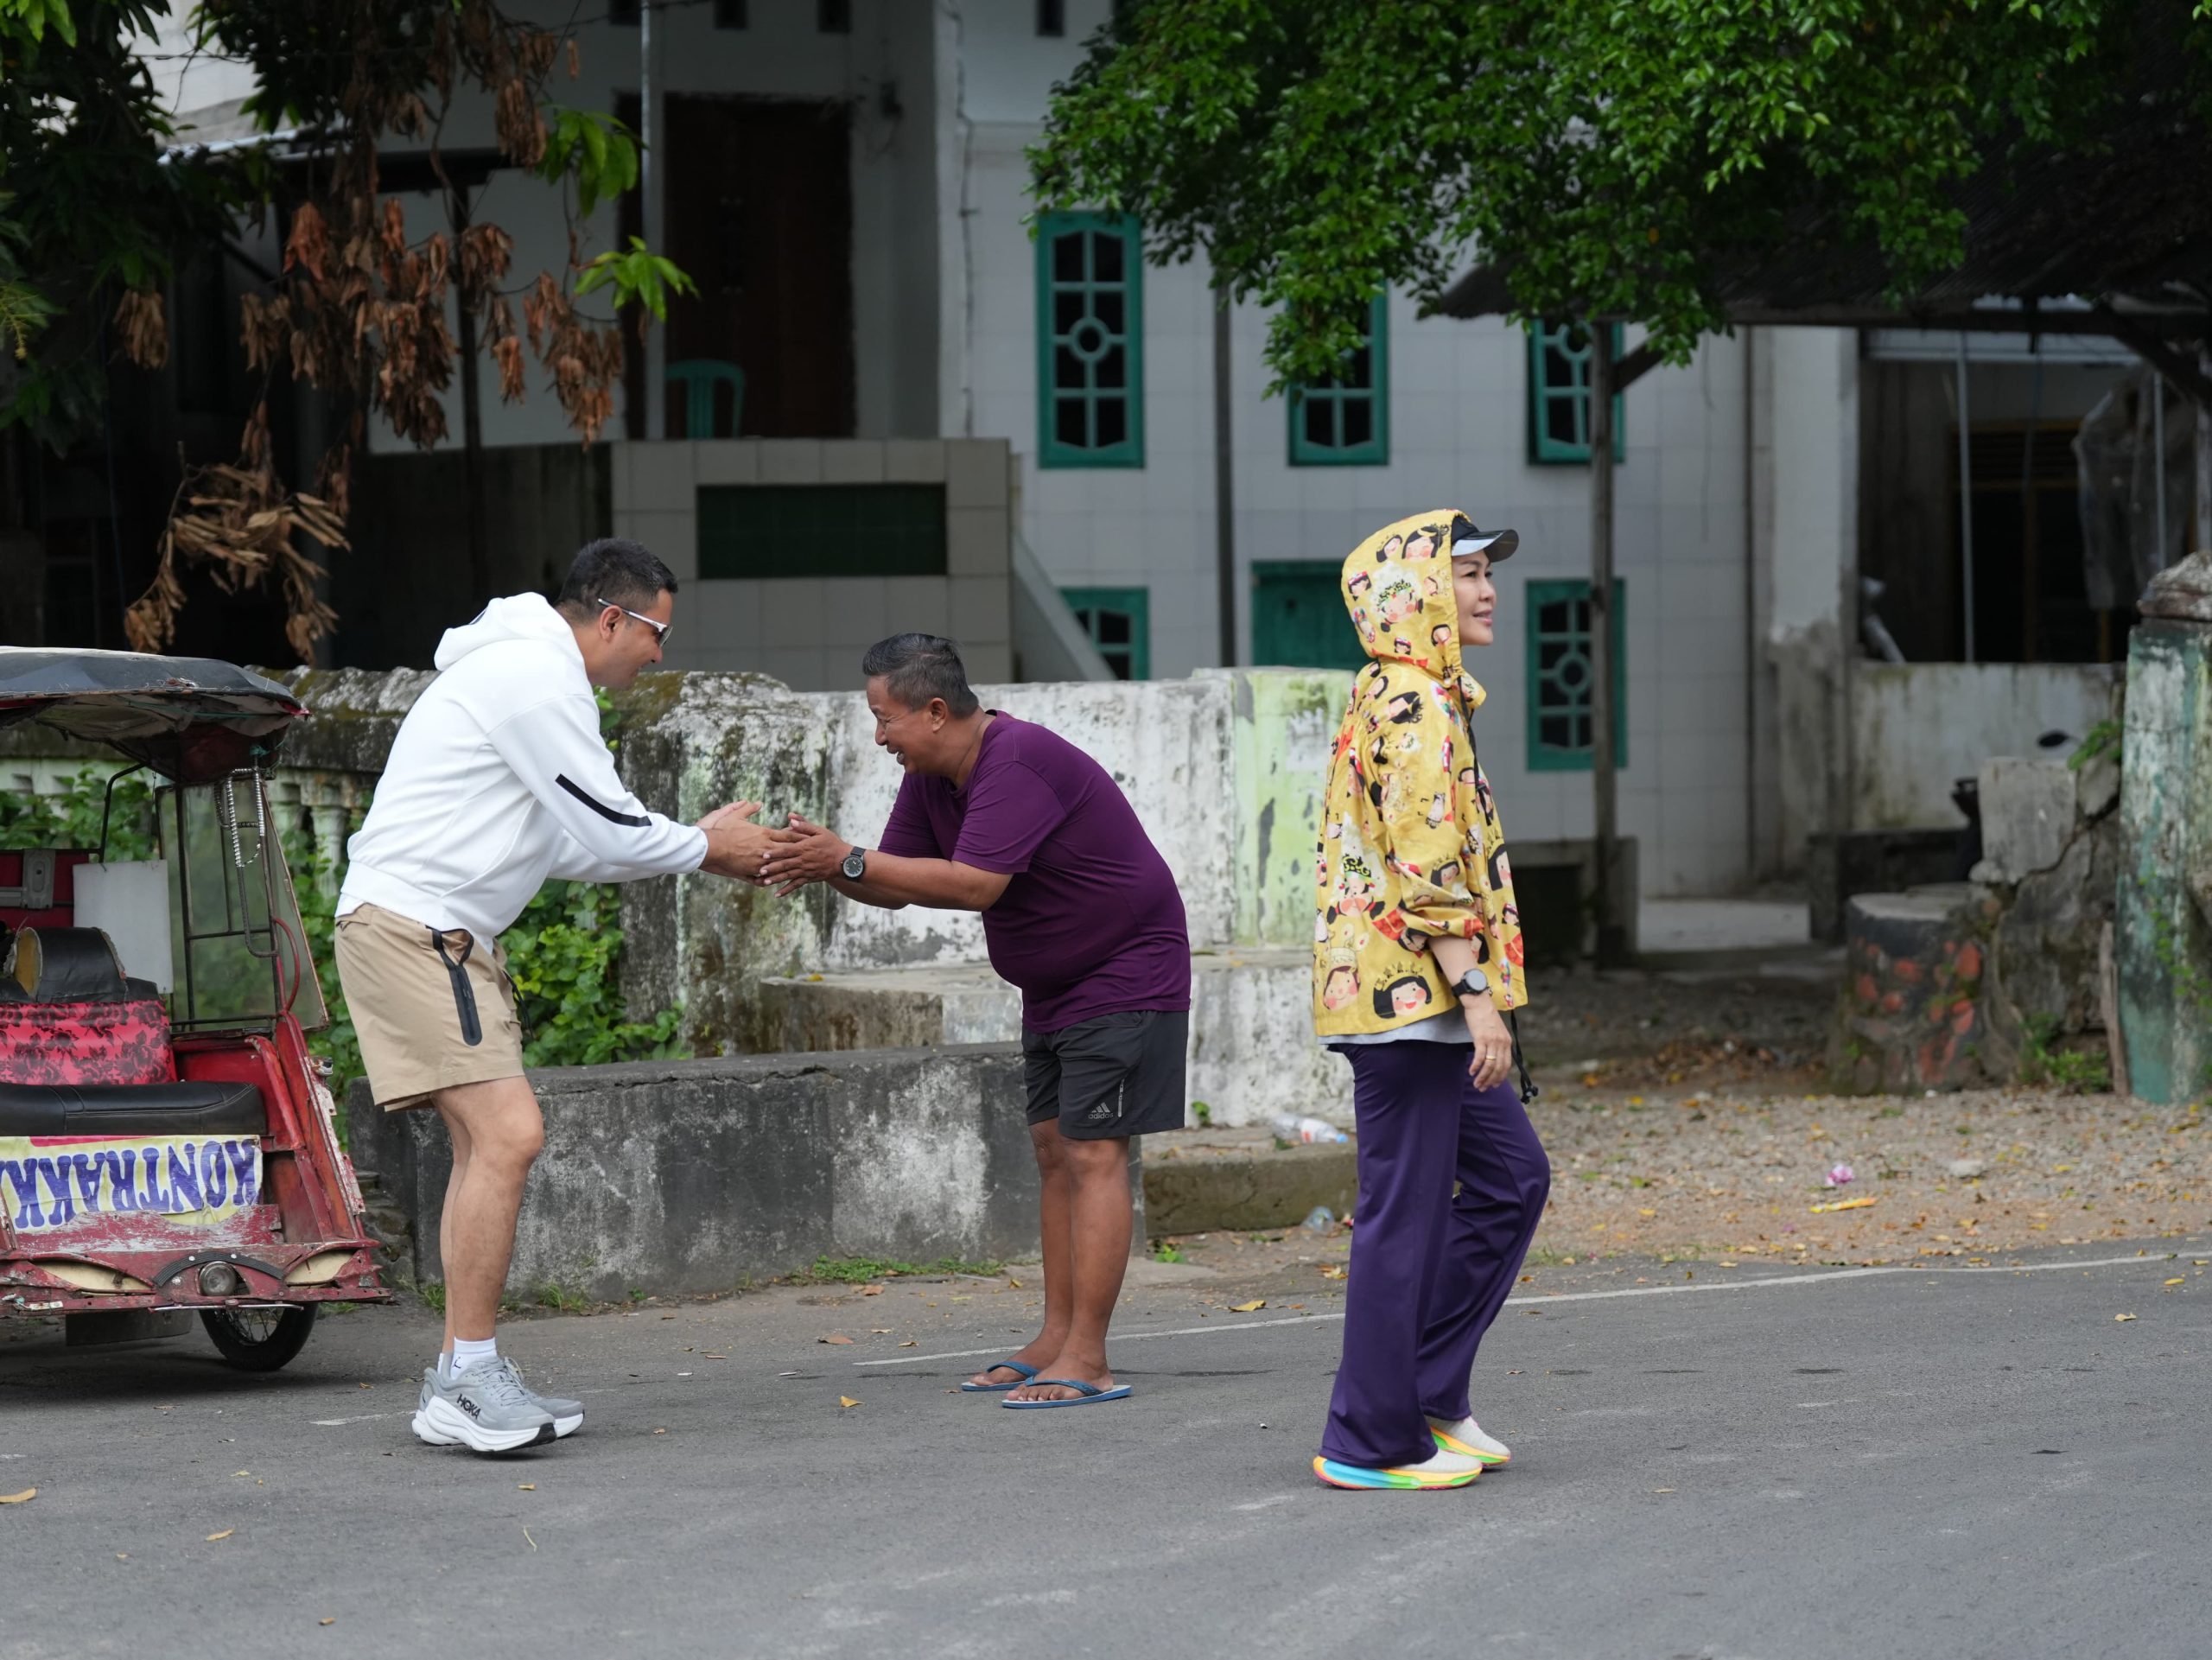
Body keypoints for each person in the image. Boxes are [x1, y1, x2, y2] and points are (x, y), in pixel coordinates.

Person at [333, 538, 772, 1455]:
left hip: (434, 933)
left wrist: (690, 841)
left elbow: (579, 843)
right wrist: (709, 848)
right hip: (419, 930)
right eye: (656, 632)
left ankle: (464, 1374)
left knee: (483, 1144)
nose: (658, 655)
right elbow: (611, 821)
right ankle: (466, 1375)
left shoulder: (521, 673)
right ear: (612, 618)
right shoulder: (536, 679)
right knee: (509, 1134)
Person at [760, 633, 1190, 1409]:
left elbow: (975, 884)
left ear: (933, 710)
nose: (878, 736)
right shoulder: (934, 774)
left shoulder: (1015, 760)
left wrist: (844, 859)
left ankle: (1088, 1357)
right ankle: (1055, 1338)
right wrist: (819, 861)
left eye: (883, 718)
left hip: (1126, 968)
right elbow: (893, 882)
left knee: (1094, 1155)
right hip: (1056, 982)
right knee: (1055, 1151)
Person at [1308, 510, 1551, 1491]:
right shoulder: (1411, 702)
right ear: (1412, 595)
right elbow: (1425, 866)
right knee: (1402, 1216)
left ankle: (1427, 1394)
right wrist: (1481, 998)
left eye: (1488, 571)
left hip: (1430, 1002)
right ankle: (1368, 1439)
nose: (1486, 588)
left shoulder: (1420, 695)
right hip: (1412, 1004)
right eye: (1465, 572)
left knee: (1510, 1181)